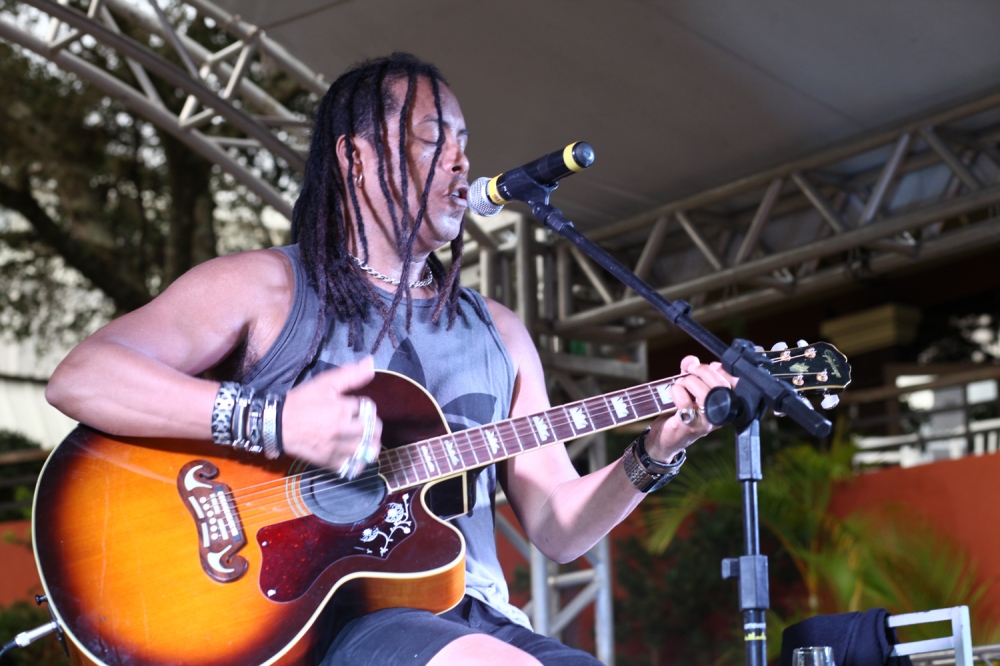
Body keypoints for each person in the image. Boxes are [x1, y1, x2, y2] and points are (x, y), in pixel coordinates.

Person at [45, 52, 734, 666]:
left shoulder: (499, 334)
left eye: (465, 143)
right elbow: (83, 377)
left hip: (477, 616)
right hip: (328, 625)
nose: (461, 162)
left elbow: (558, 527)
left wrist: (657, 451)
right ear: (357, 158)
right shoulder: (264, 287)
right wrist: (274, 422)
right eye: (434, 139)